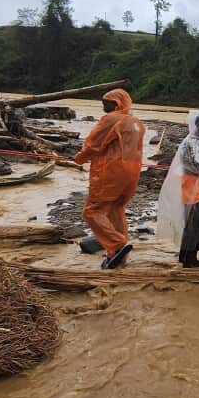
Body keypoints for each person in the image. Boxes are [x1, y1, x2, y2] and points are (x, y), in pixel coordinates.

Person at [75, 89, 145, 269]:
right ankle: (119, 256)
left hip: (111, 172)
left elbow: (93, 144)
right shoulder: (136, 122)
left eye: (106, 102)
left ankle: (118, 244)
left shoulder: (111, 119)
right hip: (131, 173)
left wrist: (79, 158)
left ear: (117, 104)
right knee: (116, 209)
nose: (103, 105)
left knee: (91, 211)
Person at [158, 111, 199, 268]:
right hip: (193, 189)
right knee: (195, 225)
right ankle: (189, 259)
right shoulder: (194, 142)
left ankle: (187, 256)